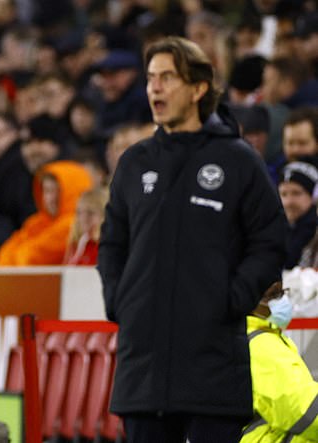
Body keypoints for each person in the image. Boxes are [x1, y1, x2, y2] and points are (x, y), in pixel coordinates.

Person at [97, 36, 287, 443]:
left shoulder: (238, 160)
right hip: (143, 370)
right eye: (150, 79)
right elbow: (112, 244)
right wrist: (120, 300)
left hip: (213, 367)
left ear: (199, 88)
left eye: (168, 77)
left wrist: (231, 298)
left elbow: (270, 241)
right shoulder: (135, 162)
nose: (155, 88)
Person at [240, 282, 318, 443]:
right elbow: (303, 409)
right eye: (273, 295)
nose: (283, 301)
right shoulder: (261, 344)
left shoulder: (261, 337)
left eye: (282, 293)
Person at [0, 160, 92, 266]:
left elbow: (29, 258)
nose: (51, 198)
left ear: (74, 192)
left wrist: (12, 258)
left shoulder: (74, 225)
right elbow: (4, 255)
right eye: (47, 190)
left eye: (58, 191)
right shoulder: (36, 222)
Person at [278, 161, 318, 269]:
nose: (288, 202)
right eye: (283, 194)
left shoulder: (313, 233)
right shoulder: (275, 227)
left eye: (296, 193)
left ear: (313, 197)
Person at [63, 187, 109, 266]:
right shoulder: (76, 244)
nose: (83, 218)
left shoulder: (107, 248)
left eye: (90, 212)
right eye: (79, 212)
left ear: (105, 215)